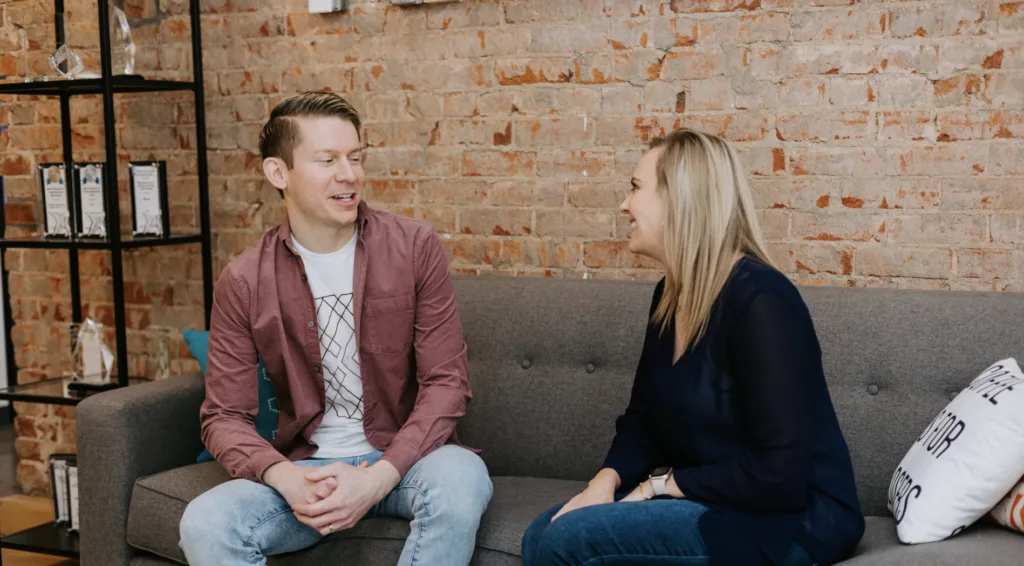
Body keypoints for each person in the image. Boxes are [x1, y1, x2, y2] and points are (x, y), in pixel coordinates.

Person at [521, 129, 865, 566]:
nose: (623, 205)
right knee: (541, 534)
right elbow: (642, 421)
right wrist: (603, 484)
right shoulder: (671, 295)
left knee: (567, 541)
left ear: (679, 201)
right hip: (712, 500)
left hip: (791, 519)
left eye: (635, 188)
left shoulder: (762, 301)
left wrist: (655, 487)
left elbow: (781, 474)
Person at [179, 91, 493, 566]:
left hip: (406, 463)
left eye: (355, 157)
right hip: (306, 474)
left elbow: (447, 384)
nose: (349, 174)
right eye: (327, 160)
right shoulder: (244, 280)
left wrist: (378, 477)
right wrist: (283, 476)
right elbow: (223, 416)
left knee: (464, 479)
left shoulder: (413, 248)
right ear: (277, 173)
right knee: (204, 523)